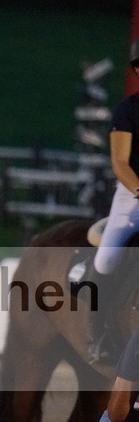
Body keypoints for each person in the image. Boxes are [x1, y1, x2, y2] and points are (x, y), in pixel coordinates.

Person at [87, 36, 139, 364]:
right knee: (105, 260)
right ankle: (102, 333)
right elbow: (120, 162)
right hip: (134, 195)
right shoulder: (127, 110)